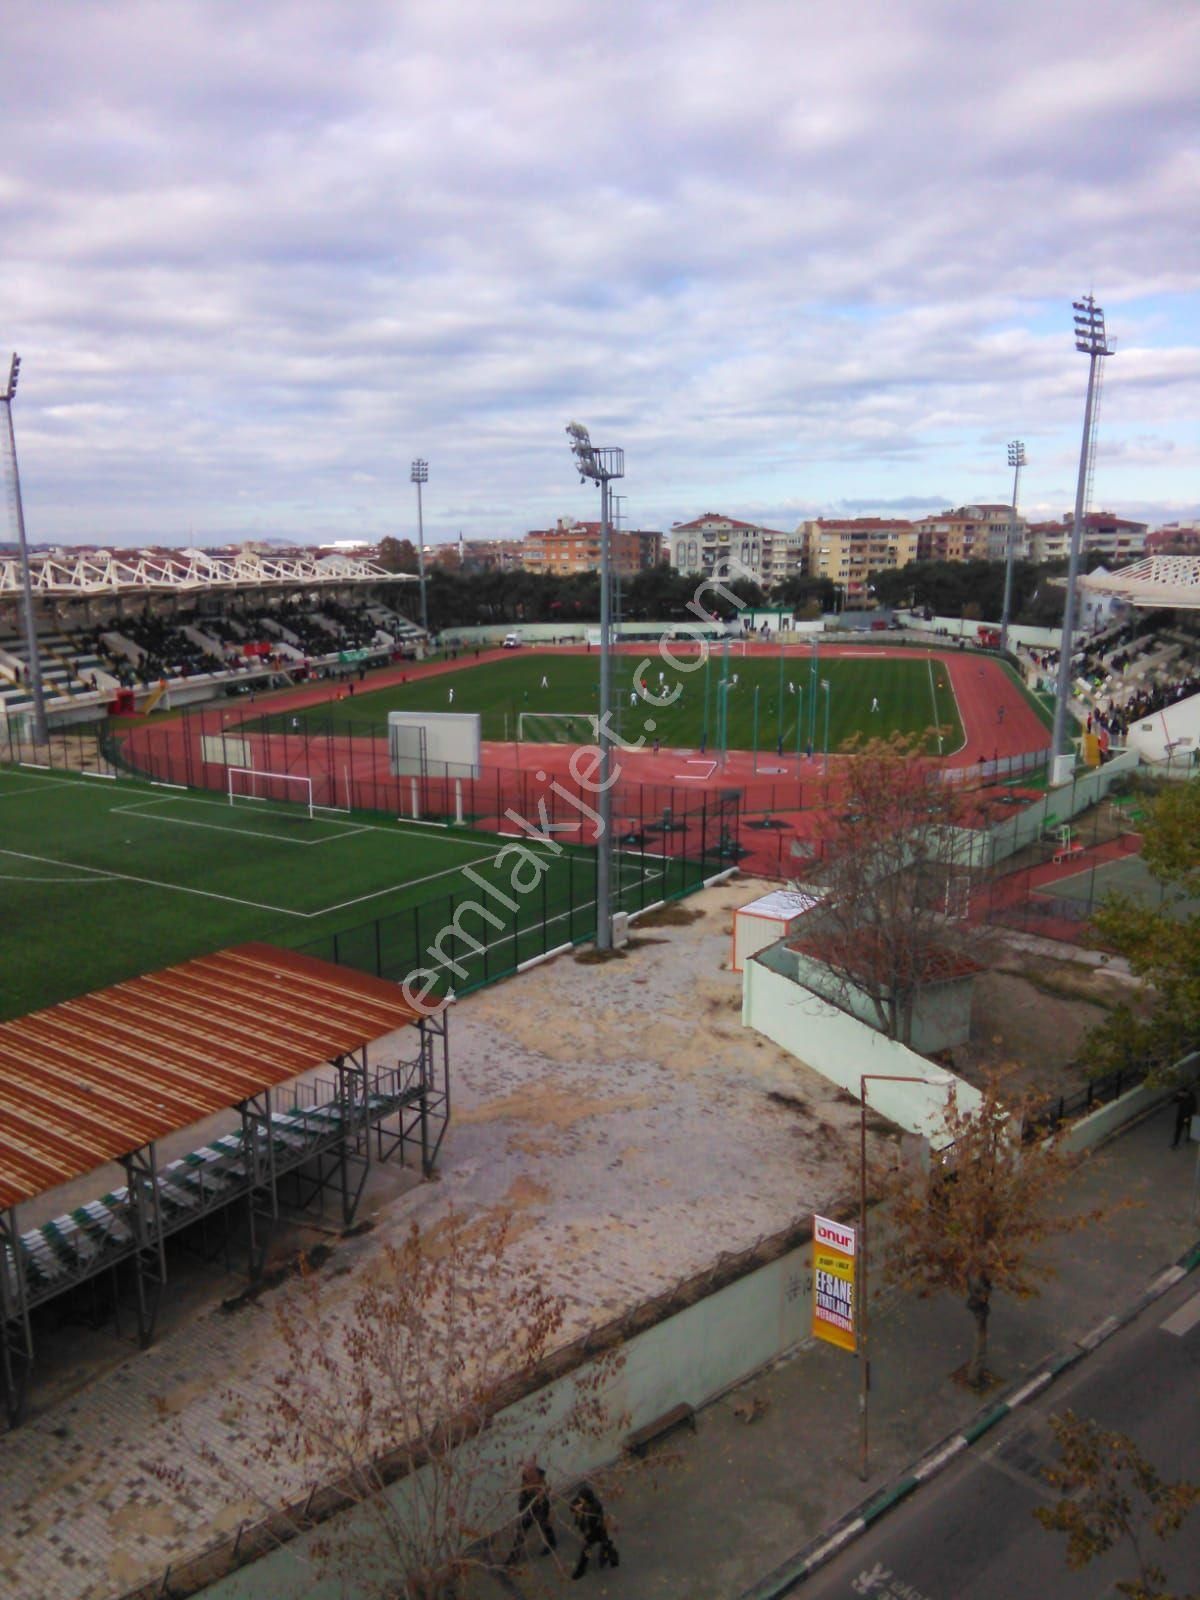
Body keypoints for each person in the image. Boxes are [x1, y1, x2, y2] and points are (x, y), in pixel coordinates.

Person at [507, 1459, 556, 1565]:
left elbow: (544, 1496)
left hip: (540, 1508)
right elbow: (523, 1494)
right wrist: (522, 1506)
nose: (527, 1474)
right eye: (526, 1472)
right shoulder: (526, 1479)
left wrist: (541, 1500)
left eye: (529, 1471)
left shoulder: (540, 1480)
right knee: (521, 1532)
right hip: (529, 1510)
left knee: (545, 1526)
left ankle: (552, 1543)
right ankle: (514, 1556)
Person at [569, 1482, 618, 1579]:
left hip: (597, 1531)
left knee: (605, 1545)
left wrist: (581, 1510)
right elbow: (571, 1506)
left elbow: (594, 1518)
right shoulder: (580, 1501)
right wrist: (575, 1508)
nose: (579, 1500)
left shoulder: (596, 1505)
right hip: (588, 1532)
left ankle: (612, 1557)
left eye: (581, 1498)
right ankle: (581, 1569)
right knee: (586, 1551)